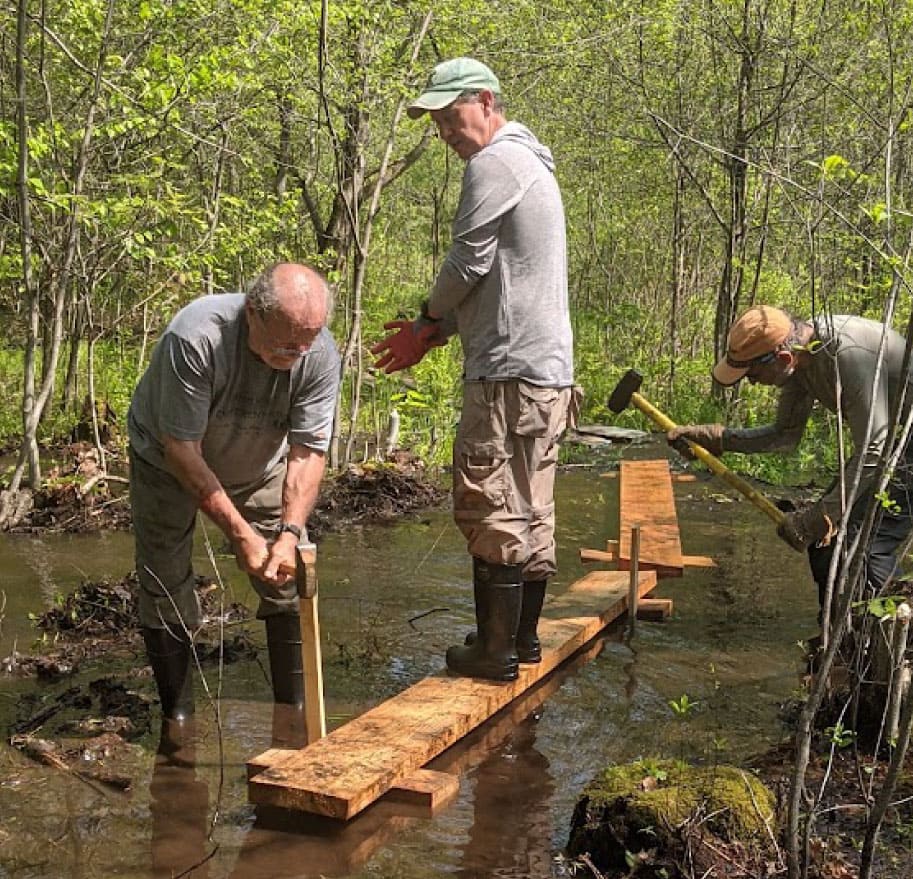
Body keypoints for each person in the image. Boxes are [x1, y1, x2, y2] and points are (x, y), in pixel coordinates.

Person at [373, 57, 579, 683]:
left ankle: (494, 654)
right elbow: (500, 281)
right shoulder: (533, 163)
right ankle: (519, 640)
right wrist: (442, 331)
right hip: (547, 373)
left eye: (450, 113)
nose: (443, 129)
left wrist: (424, 322)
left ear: (486, 100)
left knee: (490, 503)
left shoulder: (494, 163)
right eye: (434, 119)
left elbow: (467, 264)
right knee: (530, 505)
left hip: (508, 376)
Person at [127, 262, 340, 748]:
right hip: (167, 458)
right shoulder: (196, 338)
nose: (302, 353)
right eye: (289, 343)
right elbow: (181, 449)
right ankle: (178, 720)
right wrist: (240, 533)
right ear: (253, 316)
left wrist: (286, 533)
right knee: (164, 576)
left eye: (310, 340)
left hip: (259, 460)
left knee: (289, 571)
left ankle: (293, 711)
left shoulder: (318, 352)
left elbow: (308, 451)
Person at [668, 306, 913, 612]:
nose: (751, 382)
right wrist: (717, 439)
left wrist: (822, 515)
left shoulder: (848, 354)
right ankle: (837, 630)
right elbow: (784, 435)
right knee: (828, 540)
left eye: (753, 373)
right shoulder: (799, 364)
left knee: (865, 542)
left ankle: (886, 635)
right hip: (899, 435)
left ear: (783, 358)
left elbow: (872, 449)